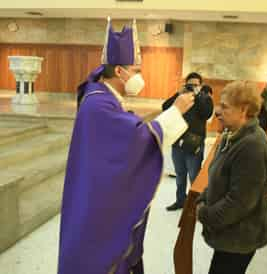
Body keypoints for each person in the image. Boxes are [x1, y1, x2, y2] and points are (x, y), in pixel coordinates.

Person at [58, 19, 195, 274]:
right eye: (136, 70)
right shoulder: (98, 104)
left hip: (99, 189)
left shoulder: (102, 96)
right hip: (98, 202)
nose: (139, 76)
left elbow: (127, 134)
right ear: (120, 71)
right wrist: (176, 111)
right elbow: (135, 140)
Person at [196, 80, 267, 274]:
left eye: (224, 106)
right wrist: (204, 197)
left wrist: (205, 214)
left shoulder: (252, 145)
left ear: (244, 110)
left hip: (239, 236)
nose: (217, 111)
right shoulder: (233, 135)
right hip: (229, 231)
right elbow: (219, 178)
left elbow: (240, 202)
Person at [162, 73, 214, 211]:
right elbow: (165, 107)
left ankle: (195, 204)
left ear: (201, 85)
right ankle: (180, 200)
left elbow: (207, 113)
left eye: (196, 85)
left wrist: (199, 96)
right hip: (178, 141)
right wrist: (177, 95)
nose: (192, 87)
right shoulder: (180, 98)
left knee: (194, 176)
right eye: (190, 84)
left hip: (194, 144)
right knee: (180, 174)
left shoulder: (205, 98)